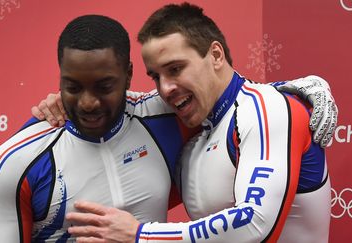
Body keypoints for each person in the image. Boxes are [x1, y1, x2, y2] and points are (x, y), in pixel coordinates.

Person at [57, 3, 332, 243]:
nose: (165, 88)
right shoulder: (197, 127)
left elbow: (256, 223)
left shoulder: (268, 109)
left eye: (175, 69)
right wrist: (59, 103)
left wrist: (141, 236)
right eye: (155, 76)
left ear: (215, 55)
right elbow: (121, 102)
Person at [0, 15, 195, 242]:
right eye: (73, 87)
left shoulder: (171, 115)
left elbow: (226, 88)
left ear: (128, 75)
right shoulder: (17, 161)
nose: (87, 103)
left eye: (104, 87)